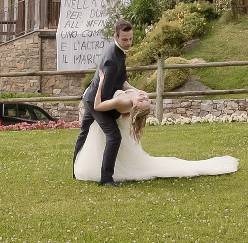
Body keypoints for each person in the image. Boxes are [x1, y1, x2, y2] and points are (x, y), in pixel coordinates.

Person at [73, 86, 238, 182]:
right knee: (84, 133)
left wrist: (101, 81)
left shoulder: (124, 104)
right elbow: (124, 83)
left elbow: (98, 105)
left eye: (143, 100)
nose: (145, 97)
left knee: (87, 135)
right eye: (147, 99)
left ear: (133, 107)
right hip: (97, 107)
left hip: (96, 107)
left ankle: (104, 173)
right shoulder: (135, 95)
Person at [73, 21, 138, 187]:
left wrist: (135, 91)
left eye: (131, 39)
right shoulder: (112, 59)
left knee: (84, 132)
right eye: (125, 39)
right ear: (116, 36)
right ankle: (106, 178)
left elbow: (122, 80)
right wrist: (119, 113)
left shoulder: (119, 52)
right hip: (96, 101)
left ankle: (76, 170)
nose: (129, 43)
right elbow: (106, 95)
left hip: (90, 96)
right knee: (114, 136)